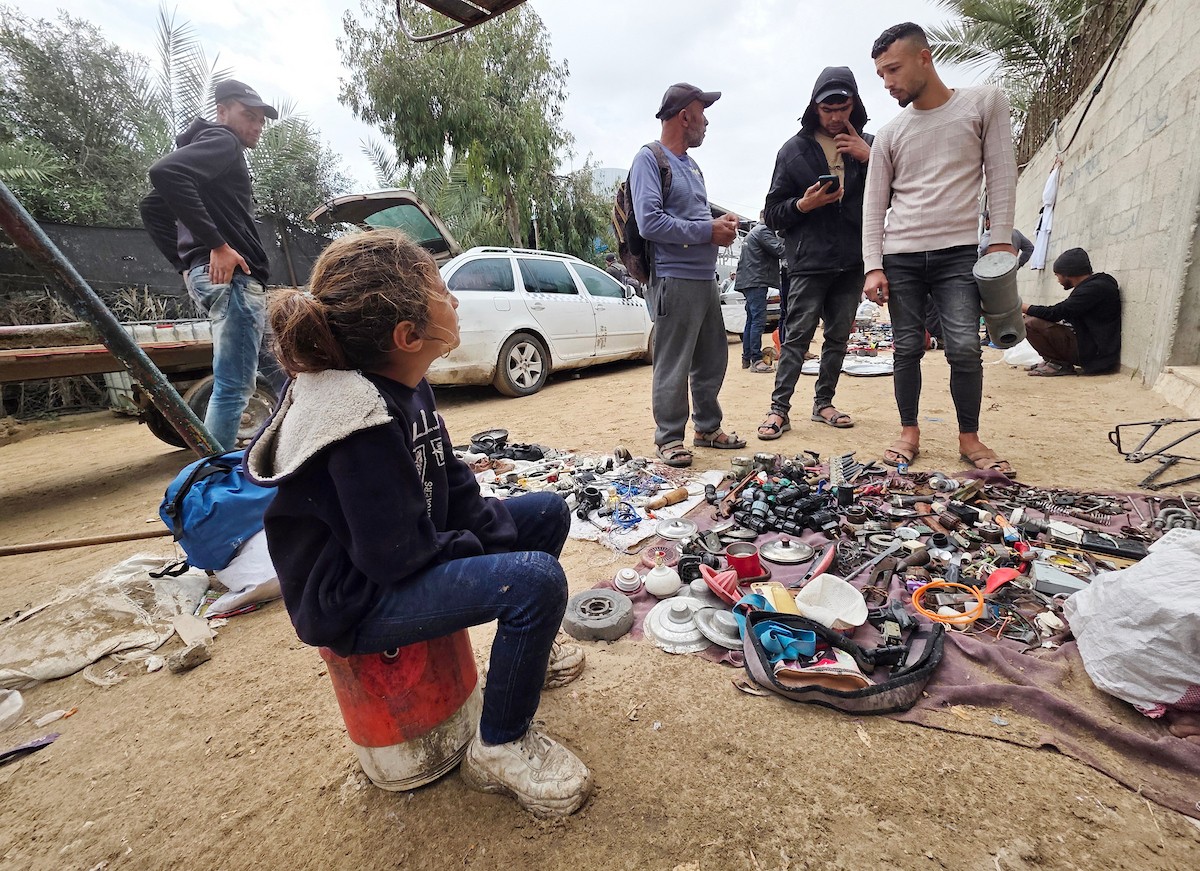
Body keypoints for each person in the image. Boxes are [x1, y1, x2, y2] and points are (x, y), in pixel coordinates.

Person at [244, 229, 593, 819]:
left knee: (547, 512)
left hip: (404, 550)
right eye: (442, 292)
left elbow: (451, 480)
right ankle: (500, 746)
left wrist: (489, 537)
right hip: (357, 598)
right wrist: (488, 559)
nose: (454, 300)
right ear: (407, 336)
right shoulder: (357, 419)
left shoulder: (408, 382)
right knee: (534, 582)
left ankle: (526, 653)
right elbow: (395, 557)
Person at [863, 23, 1019, 477]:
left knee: (966, 347)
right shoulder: (890, 134)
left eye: (893, 69)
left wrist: (1001, 239)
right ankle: (908, 431)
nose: (887, 82)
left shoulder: (983, 104)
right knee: (907, 347)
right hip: (902, 256)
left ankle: (969, 437)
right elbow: (874, 205)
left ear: (924, 57)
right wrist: (873, 265)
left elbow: (1002, 172)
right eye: (881, 74)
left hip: (959, 253)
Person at [141, 79, 285, 451]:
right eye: (248, 116)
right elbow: (165, 173)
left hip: (226, 281)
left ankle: (302, 442)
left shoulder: (209, 153)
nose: (257, 126)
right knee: (234, 386)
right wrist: (217, 246)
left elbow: (152, 207)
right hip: (233, 281)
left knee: (278, 365)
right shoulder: (223, 141)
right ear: (222, 111)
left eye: (261, 120)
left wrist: (185, 264)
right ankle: (212, 474)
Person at [629, 82, 743, 468]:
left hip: (704, 277)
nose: (706, 121)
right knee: (674, 363)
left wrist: (720, 223)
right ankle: (669, 438)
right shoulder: (649, 159)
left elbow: (694, 217)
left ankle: (707, 428)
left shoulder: (692, 166)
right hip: (673, 277)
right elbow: (649, 222)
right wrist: (708, 231)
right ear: (684, 116)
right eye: (702, 113)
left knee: (712, 358)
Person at [761, 66, 873, 438]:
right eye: (827, 110)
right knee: (796, 338)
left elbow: (897, 192)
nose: (836, 117)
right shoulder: (793, 150)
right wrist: (803, 205)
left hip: (852, 260)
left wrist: (870, 157)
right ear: (814, 108)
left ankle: (824, 403)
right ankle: (779, 410)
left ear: (854, 105)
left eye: (843, 108)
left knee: (838, 337)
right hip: (809, 261)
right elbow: (772, 213)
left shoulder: (868, 145)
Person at [927, 210, 1035, 347]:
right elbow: (1029, 248)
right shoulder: (1016, 233)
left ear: (989, 221)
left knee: (988, 307)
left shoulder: (988, 235)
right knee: (1007, 305)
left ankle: (992, 337)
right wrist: (1015, 265)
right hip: (1007, 276)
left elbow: (980, 253)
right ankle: (1007, 336)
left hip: (989, 278)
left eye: (986, 220)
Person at [1021, 247, 1122, 376]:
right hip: (1087, 345)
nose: (1058, 280)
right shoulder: (1092, 286)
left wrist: (1021, 306)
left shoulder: (1094, 289)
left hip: (1095, 354)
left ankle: (1059, 364)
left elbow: (1056, 313)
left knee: (1030, 323)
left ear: (1067, 273)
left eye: (1057, 275)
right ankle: (1051, 361)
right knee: (1029, 318)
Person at [734, 216, 784, 373]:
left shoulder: (755, 231)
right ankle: (756, 360)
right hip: (756, 280)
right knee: (758, 320)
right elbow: (780, 250)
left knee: (751, 320)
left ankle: (747, 358)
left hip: (749, 280)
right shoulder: (764, 231)